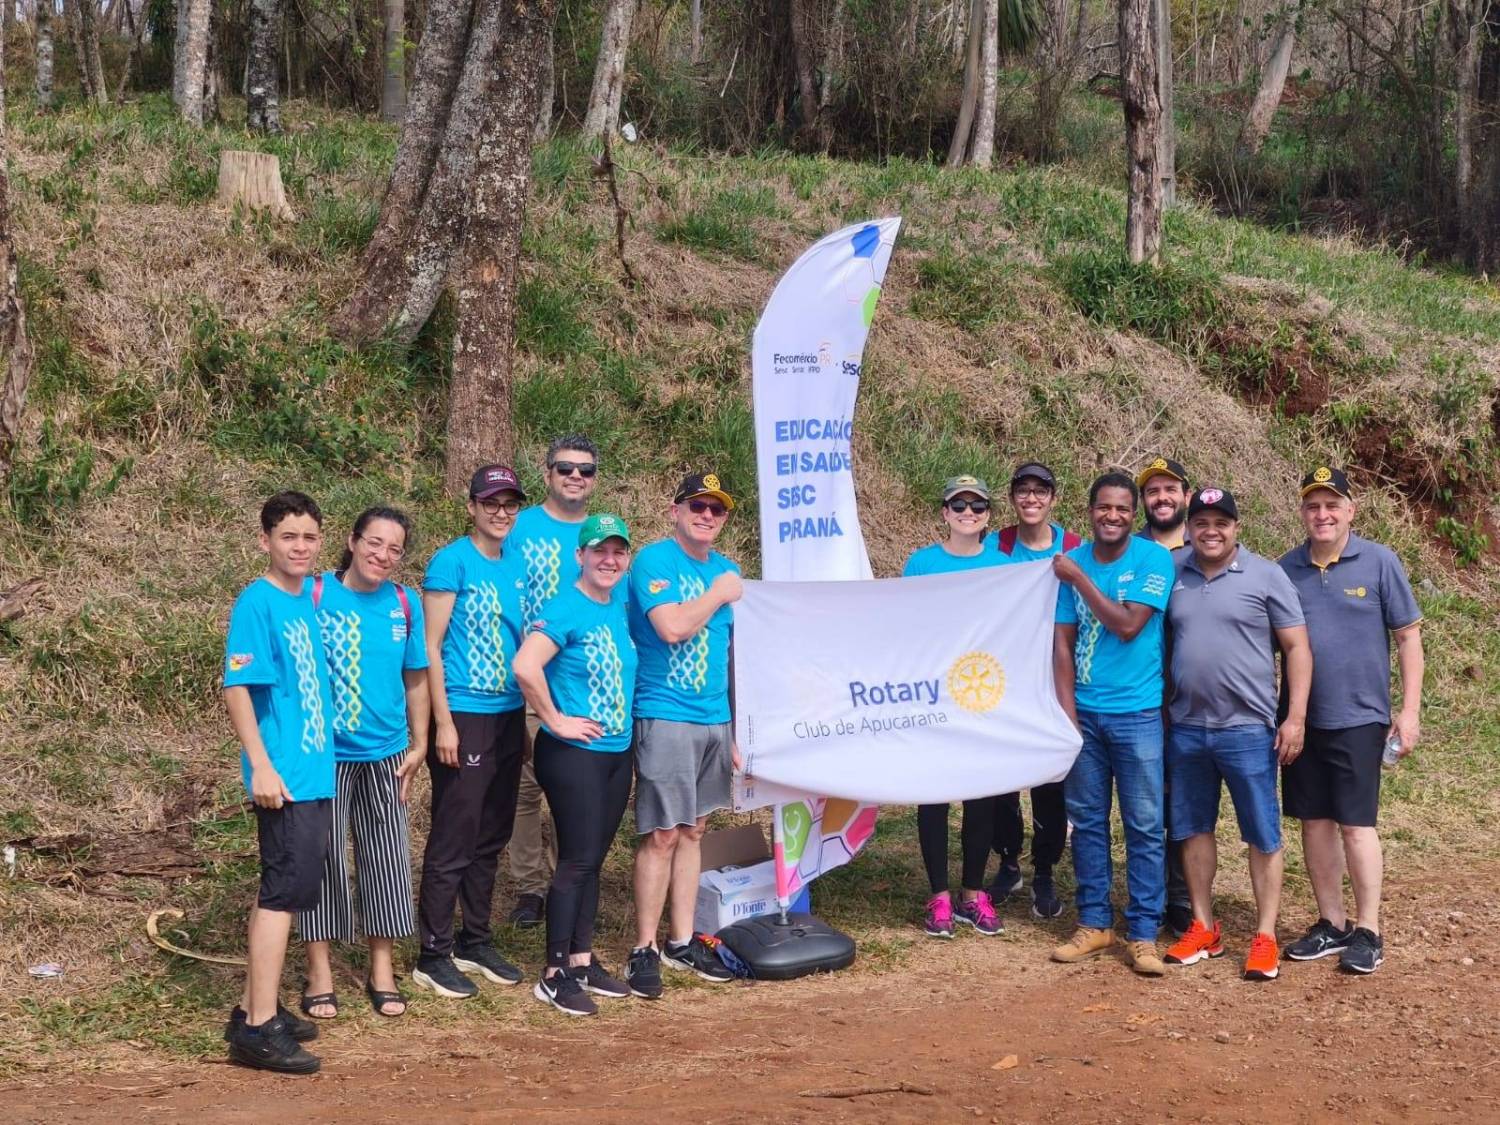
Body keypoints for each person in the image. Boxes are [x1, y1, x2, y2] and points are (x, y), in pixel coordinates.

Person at [1160, 488, 1313, 981]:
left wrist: (1295, 717)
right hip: (1186, 727)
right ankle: (1204, 926)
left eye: (1220, 522)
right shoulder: (1173, 572)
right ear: (1190, 526)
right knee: (1192, 829)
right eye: (1201, 521)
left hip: (1247, 729)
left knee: (1262, 833)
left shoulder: (1267, 575)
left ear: (1237, 527)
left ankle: (1265, 935)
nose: (1210, 530)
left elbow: (1297, 649)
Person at [1278, 467, 1423, 975]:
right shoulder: (1285, 570)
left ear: (1350, 511)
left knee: (1356, 826)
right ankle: (1332, 924)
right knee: (1313, 824)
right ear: (1302, 512)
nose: (1323, 515)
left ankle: (1369, 930)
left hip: (1360, 718)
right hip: (1301, 719)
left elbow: (1408, 637)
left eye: (1332, 505)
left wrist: (1408, 710)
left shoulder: (1380, 562)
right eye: (1313, 506)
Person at [297, 507, 430, 1020]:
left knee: (387, 860)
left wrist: (419, 745)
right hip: (324, 756)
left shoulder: (404, 602)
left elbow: (415, 677)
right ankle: (320, 973)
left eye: (394, 549)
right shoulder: (312, 595)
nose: (383, 556)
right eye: (374, 543)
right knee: (323, 859)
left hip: (387, 752)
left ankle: (382, 968)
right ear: (352, 542)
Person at [222, 491, 335, 1074]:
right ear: (265, 540)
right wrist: (261, 765)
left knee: (290, 890)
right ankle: (259, 1032)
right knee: (281, 893)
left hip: (313, 771)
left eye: (309, 537)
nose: (299, 546)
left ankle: (252, 1010)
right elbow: (236, 687)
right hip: (284, 776)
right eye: (288, 536)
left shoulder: (302, 603)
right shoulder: (257, 602)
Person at [514, 514, 639, 1016]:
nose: (608, 560)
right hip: (573, 754)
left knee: (594, 859)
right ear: (580, 557)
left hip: (615, 752)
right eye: (599, 551)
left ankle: (582, 959)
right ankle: (554, 972)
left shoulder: (615, 606)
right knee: (575, 861)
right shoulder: (565, 606)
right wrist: (555, 719)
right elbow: (525, 664)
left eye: (617, 552)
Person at [1050, 473, 1175, 977]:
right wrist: (1067, 715)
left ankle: (1144, 934)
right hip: (1086, 715)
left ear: (1133, 513)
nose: (1113, 516)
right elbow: (1062, 642)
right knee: (1087, 824)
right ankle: (1095, 923)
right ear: (1091, 511)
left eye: (1122, 508)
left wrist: (1080, 580)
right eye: (1104, 507)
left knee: (1145, 826)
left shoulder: (1152, 559)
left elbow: (1127, 626)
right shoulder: (1073, 563)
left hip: (1140, 714)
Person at [624, 474, 744, 1000]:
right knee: (662, 834)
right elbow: (671, 627)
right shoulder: (655, 561)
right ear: (676, 510)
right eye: (698, 506)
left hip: (713, 717)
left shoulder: (727, 570)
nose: (707, 516)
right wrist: (718, 594)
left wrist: (735, 729)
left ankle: (680, 939)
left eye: (717, 510)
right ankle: (643, 947)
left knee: (695, 831)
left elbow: (732, 655)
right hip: (665, 712)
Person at [413, 466, 530, 999]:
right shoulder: (451, 561)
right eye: (491, 502)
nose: (500, 511)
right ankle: (432, 952)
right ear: (472, 507)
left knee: (492, 834)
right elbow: (430, 647)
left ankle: (473, 938)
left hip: (508, 713)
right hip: (464, 711)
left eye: (509, 503)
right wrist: (443, 723)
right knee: (454, 835)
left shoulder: (517, 563)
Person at [902, 475, 1005, 939]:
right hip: (934, 694)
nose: (968, 512)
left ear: (987, 516)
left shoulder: (1004, 566)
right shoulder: (921, 564)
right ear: (944, 513)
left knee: (982, 794)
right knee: (934, 796)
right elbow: (906, 626)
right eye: (958, 505)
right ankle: (939, 896)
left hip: (982, 692)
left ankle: (972, 893)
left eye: (977, 506)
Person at [504, 434, 601, 926]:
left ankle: (572, 877)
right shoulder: (519, 528)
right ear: (548, 474)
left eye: (585, 470)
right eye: (565, 468)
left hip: (583, 682)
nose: (575, 477)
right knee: (524, 788)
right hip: (529, 674)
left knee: (575, 787)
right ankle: (529, 888)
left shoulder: (605, 536)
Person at [986, 461, 1081, 920]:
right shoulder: (995, 546)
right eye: (1022, 491)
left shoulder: (1076, 549)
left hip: (1056, 676)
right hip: (1004, 680)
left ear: (1052, 499)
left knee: (1050, 780)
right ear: (1013, 499)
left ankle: (1044, 869)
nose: (1031, 499)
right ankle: (1008, 861)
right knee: (1002, 777)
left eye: (1039, 491)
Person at [1135, 456, 1195, 937]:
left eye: (1169, 490)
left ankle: (1181, 896)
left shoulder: (1207, 548)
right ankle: (1147, 897)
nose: (1162, 499)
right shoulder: (1130, 552)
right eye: (1153, 492)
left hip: (1194, 698)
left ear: (1186, 497)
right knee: (1146, 804)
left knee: (1182, 800)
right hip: (1142, 697)